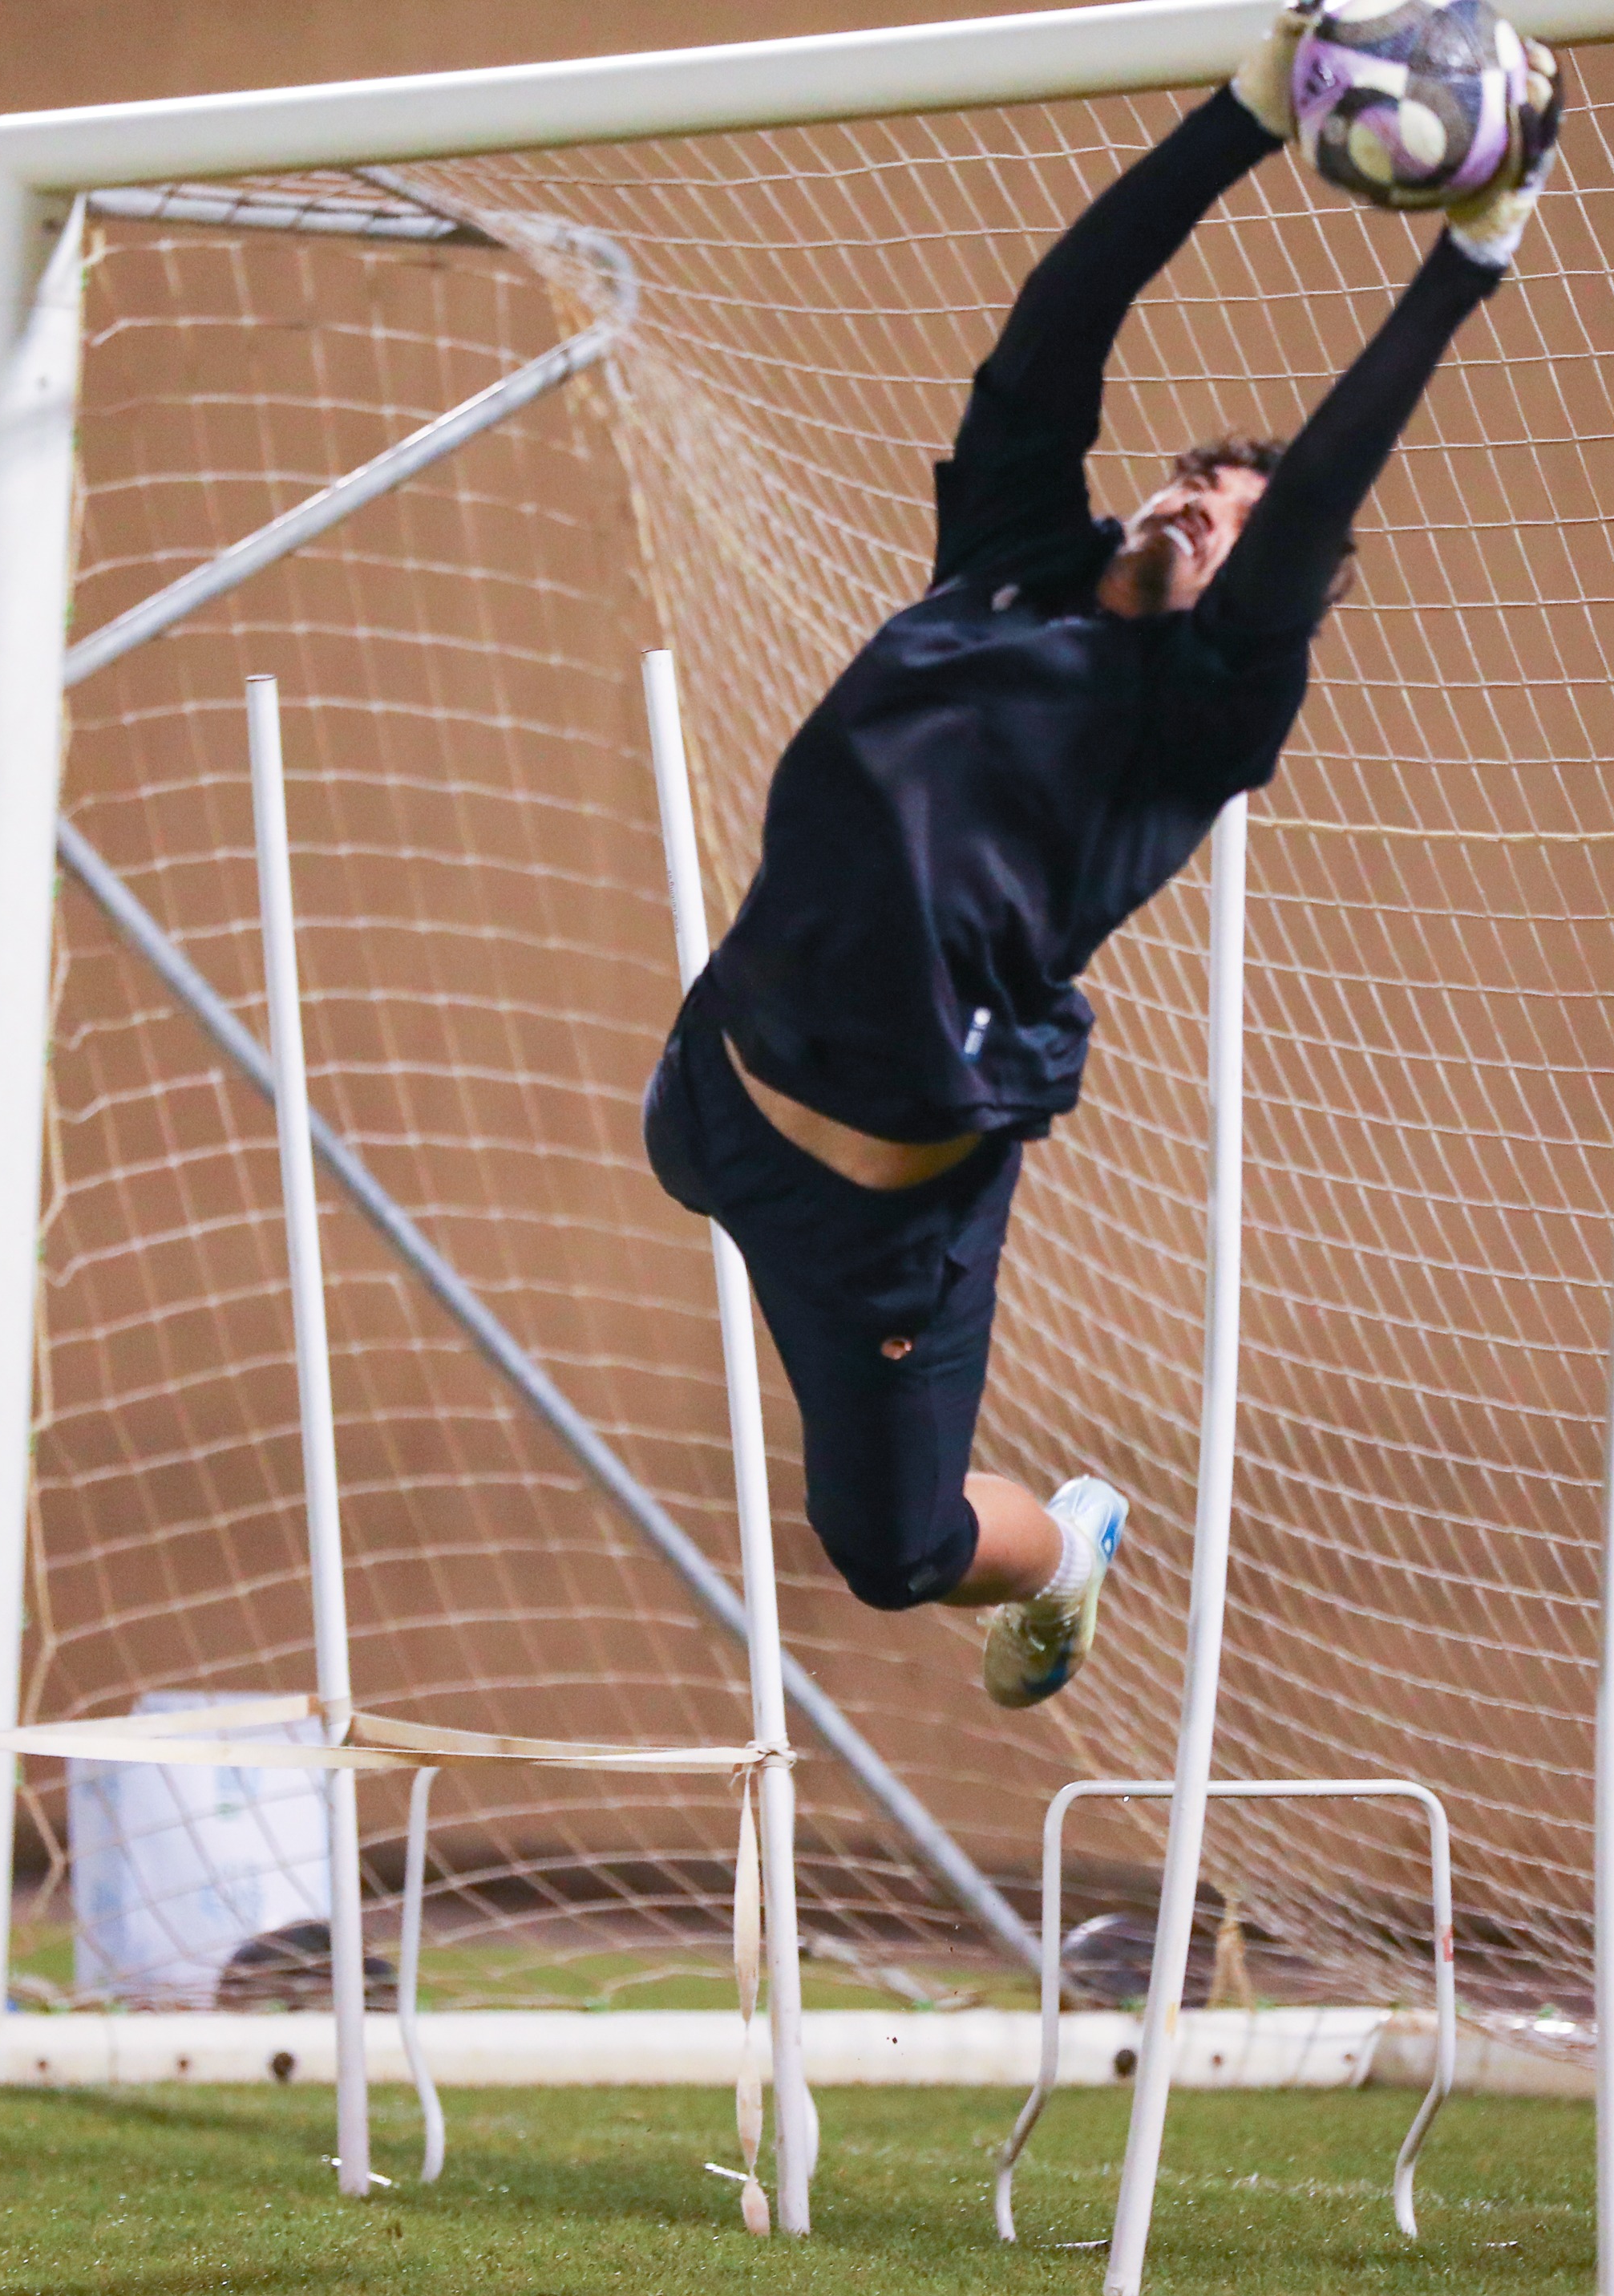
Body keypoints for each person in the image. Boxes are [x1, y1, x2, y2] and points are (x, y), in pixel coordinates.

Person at [645, 7, 1561, 1710]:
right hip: (717, 1089)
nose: (1198, 503)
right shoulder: (1011, 559)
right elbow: (1060, 323)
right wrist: (1238, 114)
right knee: (692, 1153)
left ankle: (1061, 1552)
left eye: (1234, 523)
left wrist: (1466, 265)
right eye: (1193, 479)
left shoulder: (1191, 719)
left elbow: (1309, 507)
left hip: (878, 1214)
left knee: (894, 1552)